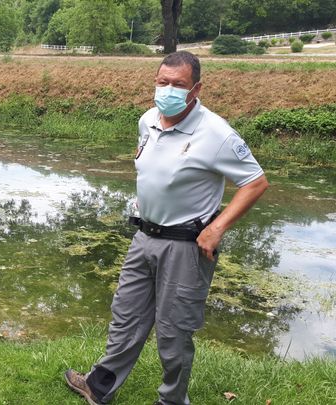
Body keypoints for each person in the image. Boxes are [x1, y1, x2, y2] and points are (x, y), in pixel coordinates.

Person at [64, 51, 269, 405]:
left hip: (186, 248)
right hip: (144, 237)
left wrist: (217, 228)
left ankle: (173, 400)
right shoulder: (148, 120)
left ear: (196, 88)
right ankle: (99, 386)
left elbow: (255, 182)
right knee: (125, 316)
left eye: (178, 84)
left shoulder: (216, 133)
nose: (168, 90)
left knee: (174, 333)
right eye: (162, 82)